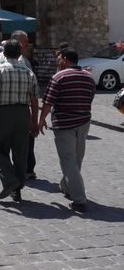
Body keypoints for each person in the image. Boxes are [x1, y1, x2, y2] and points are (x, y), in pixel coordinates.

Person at [0, 39, 39, 204]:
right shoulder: (29, 72)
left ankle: (10, 179)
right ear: (20, 53)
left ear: (3, 53)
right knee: (20, 152)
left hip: (2, 113)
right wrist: (34, 121)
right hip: (23, 114)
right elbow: (35, 100)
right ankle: (17, 189)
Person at [38, 48, 95, 212]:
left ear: (64, 59)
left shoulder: (59, 77)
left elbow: (48, 101)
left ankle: (79, 199)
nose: (58, 61)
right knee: (77, 158)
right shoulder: (88, 77)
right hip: (84, 122)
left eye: (59, 58)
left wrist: (42, 120)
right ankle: (67, 186)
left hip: (64, 124)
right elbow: (90, 97)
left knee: (69, 160)